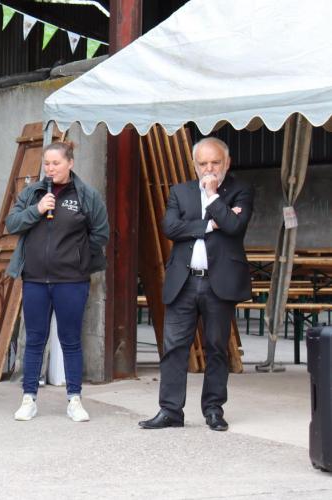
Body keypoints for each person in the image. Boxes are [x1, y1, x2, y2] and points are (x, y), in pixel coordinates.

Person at [139, 137, 253, 432]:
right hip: (185, 280)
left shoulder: (240, 190)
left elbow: (235, 227)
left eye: (215, 162)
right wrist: (209, 224)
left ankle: (214, 409)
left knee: (216, 348)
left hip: (220, 282)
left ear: (227, 162)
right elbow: (170, 227)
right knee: (174, 346)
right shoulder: (180, 192)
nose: (209, 169)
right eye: (202, 163)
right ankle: (170, 410)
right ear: (194, 165)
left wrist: (214, 198)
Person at [4, 141, 108, 423]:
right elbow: (12, 224)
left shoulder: (86, 195)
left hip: (71, 280)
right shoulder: (33, 193)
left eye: (56, 163)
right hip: (36, 278)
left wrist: (79, 260)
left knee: (70, 340)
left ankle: (74, 399)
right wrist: (36, 210)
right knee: (35, 339)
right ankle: (29, 398)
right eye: (46, 164)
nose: (50, 169)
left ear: (70, 163)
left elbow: (100, 233)